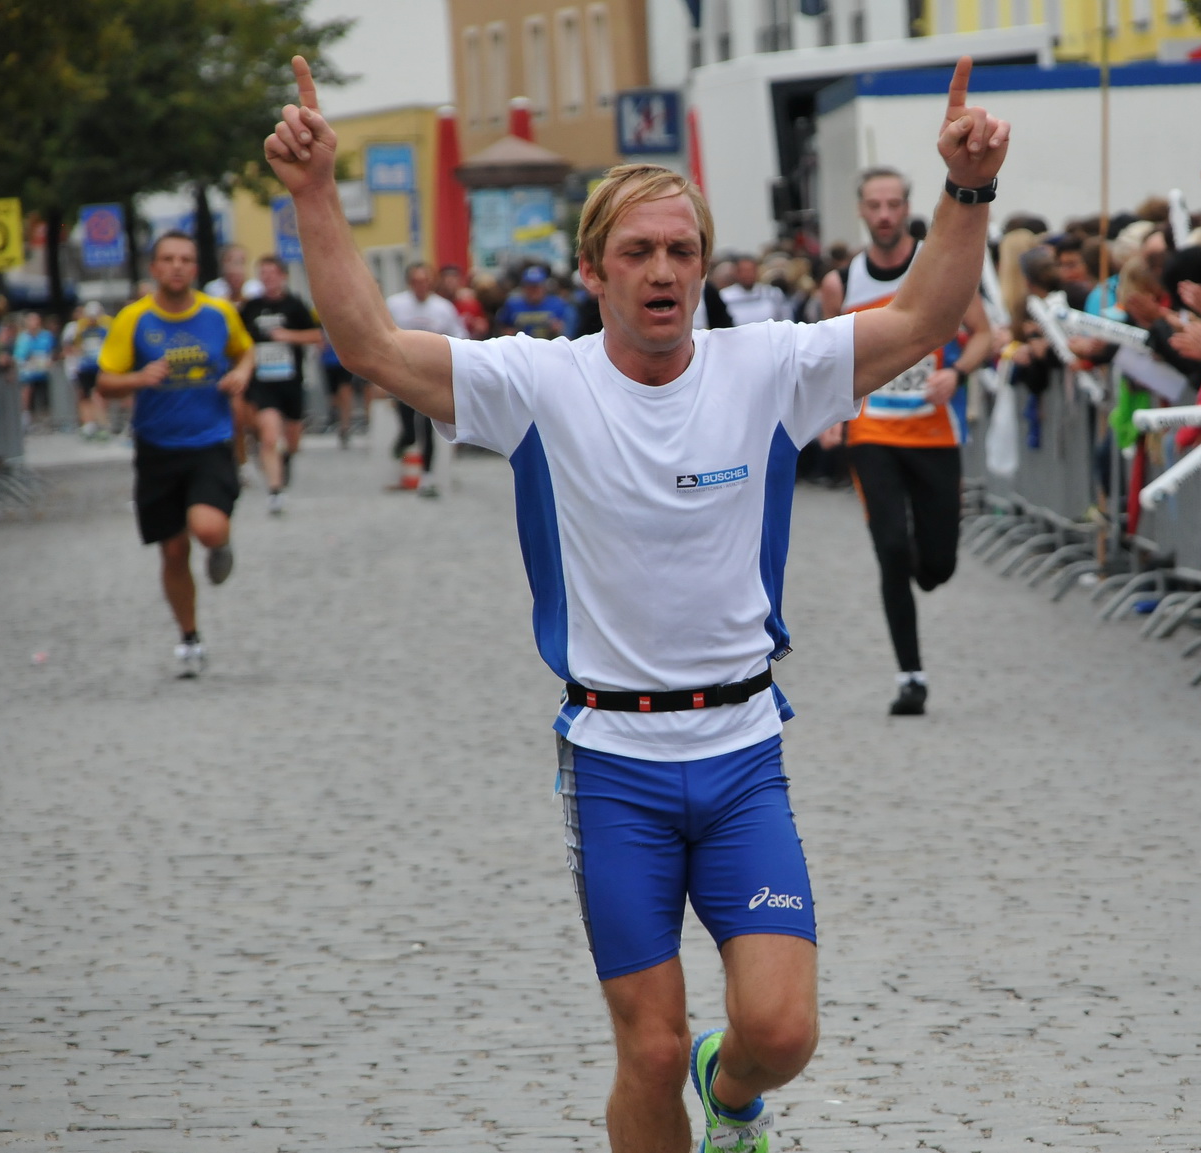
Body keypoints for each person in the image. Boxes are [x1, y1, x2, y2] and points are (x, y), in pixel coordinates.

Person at [266, 54, 1007, 1152]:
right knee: (649, 1051)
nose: (663, 271)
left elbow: (926, 314)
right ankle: (686, 1083)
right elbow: (369, 346)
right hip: (614, 760)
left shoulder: (767, 367)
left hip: (742, 748)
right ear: (593, 270)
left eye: (682, 251)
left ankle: (733, 1091)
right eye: (637, 252)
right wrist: (317, 194)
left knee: (781, 1031)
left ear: (703, 265)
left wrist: (967, 187)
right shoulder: (537, 383)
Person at [818, 166, 994, 716]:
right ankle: (910, 676)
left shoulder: (935, 268)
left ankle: (926, 563)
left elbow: (986, 334)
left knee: (937, 567)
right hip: (872, 434)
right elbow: (824, 355)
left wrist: (957, 373)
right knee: (891, 548)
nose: (885, 214)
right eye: (875, 205)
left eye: (893, 204)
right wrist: (827, 415)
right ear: (861, 211)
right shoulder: (841, 283)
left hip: (933, 434)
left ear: (906, 207)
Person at [96, 232, 253, 677]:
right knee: (172, 550)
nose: (177, 266)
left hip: (210, 441)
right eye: (168, 259)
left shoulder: (219, 313)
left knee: (206, 527)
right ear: (155, 268)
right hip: (157, 447)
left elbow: (245, 351)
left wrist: (241, 374)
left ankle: (219, 543)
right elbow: (105, 382)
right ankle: (189, 638)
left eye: (186, 259)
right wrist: (137, 378)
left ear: (196, 268)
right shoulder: (133, 319)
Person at [238, 255, 320, 514]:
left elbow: (317, 336)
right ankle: (275, 491)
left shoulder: (295, 305)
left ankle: (287, 458)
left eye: (272, 273)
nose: (268, 278)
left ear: (283, 276)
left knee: (293, 439)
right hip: (262, 383)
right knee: (270, 436)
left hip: (290, 381)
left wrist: (287, 336)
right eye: (263, 274)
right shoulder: (251, 307)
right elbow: (237, 339)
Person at [383, 262, 466, 497]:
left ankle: (427, 477)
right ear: (409, 283)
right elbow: (382, 336)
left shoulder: (443, 308)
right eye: (416, 281)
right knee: (409, 428)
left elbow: (459, 336)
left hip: (432, 376)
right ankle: (403, 443)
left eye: (425, 281)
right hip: (403, 375)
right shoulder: (395, 305)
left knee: (428, 428)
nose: (421, 286)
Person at [63, 302, 111, 438]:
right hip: (84, 368)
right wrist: (75, 362)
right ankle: (88, 424)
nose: (92, 319)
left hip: (99, 367)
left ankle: (102, 423)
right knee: (84, 396)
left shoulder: (104, 329)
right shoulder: (80, 329)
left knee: (99, 396)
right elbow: (73, 347)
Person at [495, 265, 576, 339]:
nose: (533, 290)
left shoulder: (557, 303)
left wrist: (559, 329)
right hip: (521, 346)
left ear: (544, 286)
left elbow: (568, 331)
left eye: (537, 286)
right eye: (530, 286)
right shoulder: (512, 304)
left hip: (548, 345)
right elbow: (501, 327)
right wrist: (507, 333)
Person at [718, 256, 792, 325]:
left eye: (751, 270)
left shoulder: (772, 293)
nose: (748, 274)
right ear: (736, 273)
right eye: (744, 271)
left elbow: (785, 318)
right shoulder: (724, 296)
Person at [13, 311, 55, 431]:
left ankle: (45, 421)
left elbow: (51, 351)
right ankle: (28, 419)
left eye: (36, 320)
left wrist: (50, 360)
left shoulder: (46, 335)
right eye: (31, 320)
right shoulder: (23, 337)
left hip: (42, 373)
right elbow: (18, 355)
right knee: (28, 395)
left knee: (44, 397)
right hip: (28, 373)